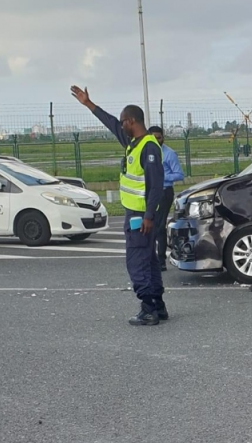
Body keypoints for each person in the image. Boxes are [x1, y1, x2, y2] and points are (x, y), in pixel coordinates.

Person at [70, 86, 168, 326]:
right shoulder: (133, 141)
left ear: (132, 121)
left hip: (140, 217)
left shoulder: (148, 147)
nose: (121, 125)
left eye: (124, 121)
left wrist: (147, 216)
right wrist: (89, 104)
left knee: (137, 261)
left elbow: (156, 186)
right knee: (150, 260)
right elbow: (111, 123)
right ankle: (158, 305)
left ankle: (148, 309)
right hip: (138, 214)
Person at [149, 125, 184, 271]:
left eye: (159, 137)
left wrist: (162, 177)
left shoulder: (169, 154)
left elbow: (179, 174)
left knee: (159, 227)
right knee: (148, 226)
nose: (157, 140)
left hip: (164, 192)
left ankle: (161, 260)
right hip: (149, 193)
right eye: (154, 137)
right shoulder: (145, 152)